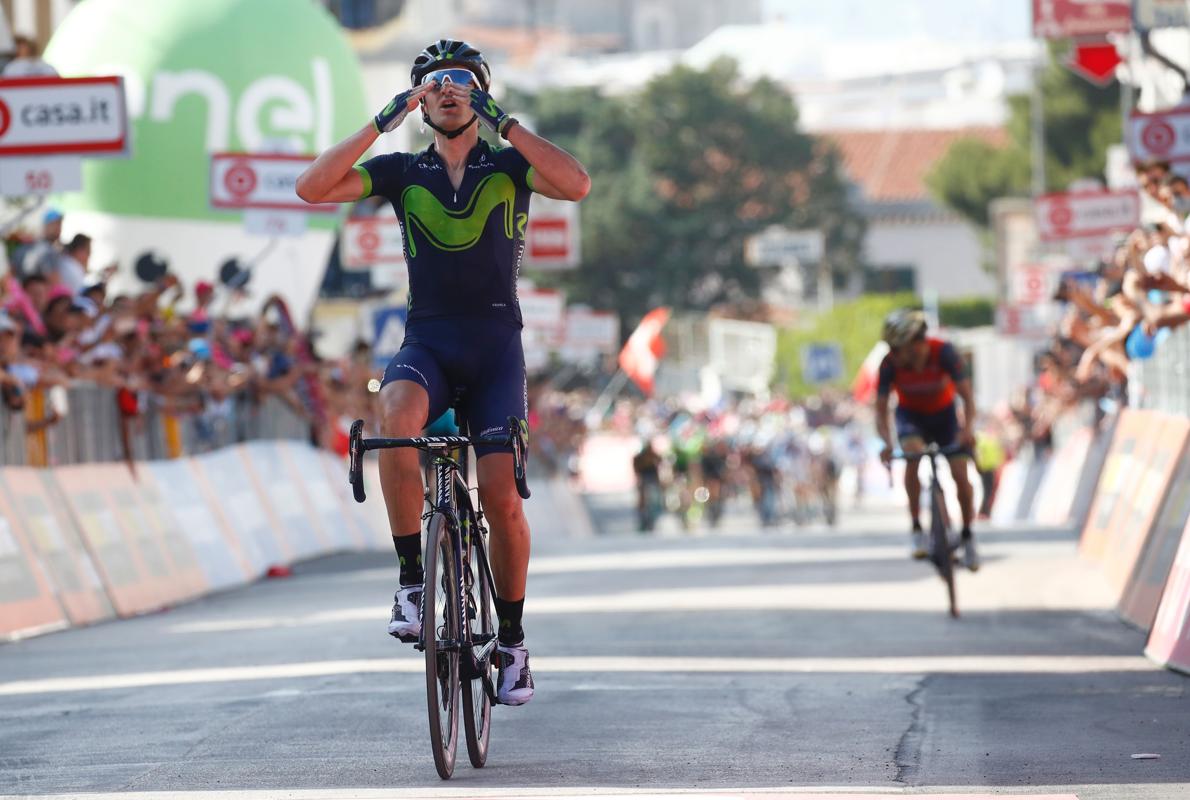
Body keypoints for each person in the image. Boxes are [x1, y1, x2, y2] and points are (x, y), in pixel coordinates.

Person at [296, 39, 589, 706]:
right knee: (394, 418)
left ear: (478, 94)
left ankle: (511, 641)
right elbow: (312, 188)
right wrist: (381, 121)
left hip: (494, 346)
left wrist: (505, 120)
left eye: (461, 80)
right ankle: (410, 581)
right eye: (432, 81)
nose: (447, 88)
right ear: (420, 99)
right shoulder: (401, 171)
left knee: (500, 494)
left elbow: (576, 184)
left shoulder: (512, 166)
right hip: (427, 338)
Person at [875, 310, 980, 570]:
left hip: (945, 417)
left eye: (897, 349)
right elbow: (879, 409)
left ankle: (967, 536)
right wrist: (887, 443)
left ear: (914, 343)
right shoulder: (889, 364)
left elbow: (967, 397)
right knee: (911, 456)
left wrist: (967, 431)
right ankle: (916, 528)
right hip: (911, 417)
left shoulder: (944, 353)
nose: (894, 355)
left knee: (960, 474)